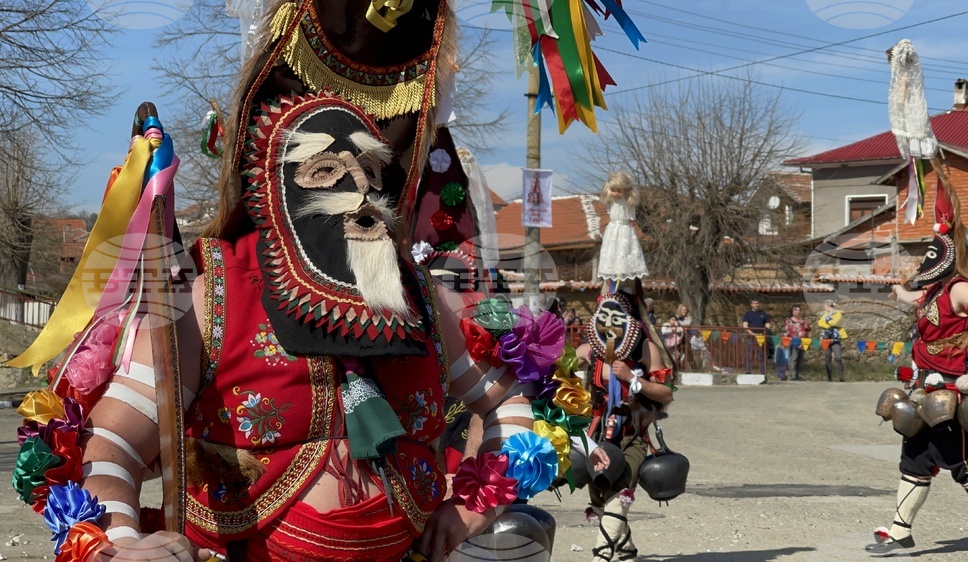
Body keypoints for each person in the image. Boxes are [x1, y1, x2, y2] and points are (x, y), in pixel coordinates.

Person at [4, 2, 614, 561]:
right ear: (275, 188)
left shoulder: (423, 298)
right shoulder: (208, 293)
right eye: (329, 172)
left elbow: (510, 407)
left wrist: (475, 506)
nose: (359, 196)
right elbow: (116, 443)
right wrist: (123, 541)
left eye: (371, 175)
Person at [864, 175, 968, 560]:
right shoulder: (936, 291)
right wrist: (898, 291)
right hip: (925, 391)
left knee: (960, 462)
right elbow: (919, 303)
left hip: (954, 394)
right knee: (915, 459)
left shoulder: (961, 289)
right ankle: (899, 532)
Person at [576, 283, 674, 562]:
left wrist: (634, 379)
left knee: (621, 491)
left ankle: (601, 555)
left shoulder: (645, 347)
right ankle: (627, 552)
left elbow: (666, 393)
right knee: (599, 496)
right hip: (597, 433)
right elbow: (561, 363)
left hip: (632, 430)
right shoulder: (591, 350)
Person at [597, 173, 648, 281]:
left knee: (624, 249)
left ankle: (623, 270)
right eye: (613, 190)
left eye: (619, 191)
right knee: (612, 249)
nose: (615, 193)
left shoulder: (628, 201)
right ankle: (612, 270)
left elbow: (631, 215)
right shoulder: (611, 201)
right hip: (613, 228)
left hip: (624, 228)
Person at [817, 299, 846, 382]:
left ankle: (841, 377)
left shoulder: (838, 313)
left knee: (838, 357)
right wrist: (828, 324)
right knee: (827, 357)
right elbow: (820, 323)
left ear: (827, 306)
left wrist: (827, 322)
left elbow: (835, 323)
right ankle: (829, 377)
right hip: (826, 338)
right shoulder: (825, 314)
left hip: (835, 338)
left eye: (824, 306)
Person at [741, 299, 771, 374]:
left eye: (757, 303)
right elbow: (745, 326)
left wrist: (765, 331)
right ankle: (748, 371)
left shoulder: (763, 314)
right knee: (749, 354)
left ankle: (762, 372)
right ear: (751, 304)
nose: (756, 305)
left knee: (762, 355)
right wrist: (753, 334)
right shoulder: (747, 314)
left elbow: (767, 324)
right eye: (754, 303)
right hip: (750, 337)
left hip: (761, 337)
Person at [783, 305, 811, 381]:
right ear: (793, 311)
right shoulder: (788, 321)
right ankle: (793, 375)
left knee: (800, 359)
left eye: (799, 310)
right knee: (792, 358)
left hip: (803, 341)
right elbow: (786, 331)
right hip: (793, 341)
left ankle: (798, 374)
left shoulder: (803, 321)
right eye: (796, 310)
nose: (798, 312)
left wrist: (804, 323)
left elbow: (808, 328)